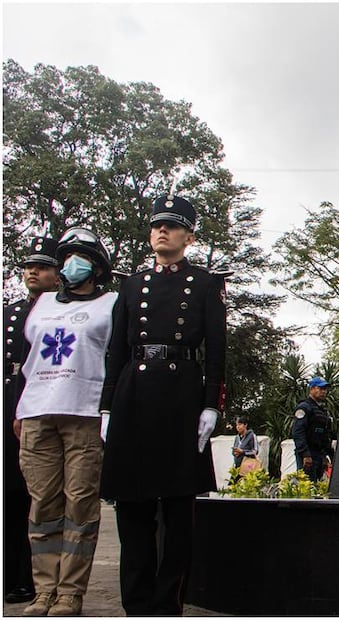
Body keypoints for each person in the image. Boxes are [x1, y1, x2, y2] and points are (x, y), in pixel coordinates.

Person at [100, 194, 227, 615]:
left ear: (189, 237)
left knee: (177, 508)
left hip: (180, 395)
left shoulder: (206, 284)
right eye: (157, 224)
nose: (161, 231)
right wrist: (107, 406)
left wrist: (211, 404)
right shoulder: (131, 285)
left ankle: (167, 604)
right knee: (131, 507)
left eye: (171, 226)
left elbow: (216, 351)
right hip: (133, 394)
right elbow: (117, 351)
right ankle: (135, 604)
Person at [17, 229, 117, 616]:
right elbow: (24, 361)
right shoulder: (41, 304)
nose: (72, 263)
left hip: (83, 414)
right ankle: (44, 591)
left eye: (82, 256)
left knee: (80, 505)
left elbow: (116, 358)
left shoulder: (110, 304)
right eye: (67, 256)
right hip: (37, 411)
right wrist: (17, 411)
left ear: (97, 267)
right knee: (43, 504)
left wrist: (109, 411)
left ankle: (70, 593)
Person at [3, 236, 59, 605]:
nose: (32, 272)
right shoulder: (10, 312)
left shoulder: (59, 312)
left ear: (57, 274)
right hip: (8, 399)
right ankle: (9, 574)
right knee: (8, 493)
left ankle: (31, 578)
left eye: (41, 267)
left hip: (41, 400)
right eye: (28, 266)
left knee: (36, 496)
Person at [291, 376, 335, 482]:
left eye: (325, 389)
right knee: (307, 485)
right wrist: (305, 454)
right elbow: (298, 432)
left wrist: (328, 456)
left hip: (319, 455)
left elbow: (325, 436)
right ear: (312, 389)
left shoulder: (323, 411)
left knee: (318, 485)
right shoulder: (304, 407)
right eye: (320, 388)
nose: (323, 391)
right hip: (308, 454)